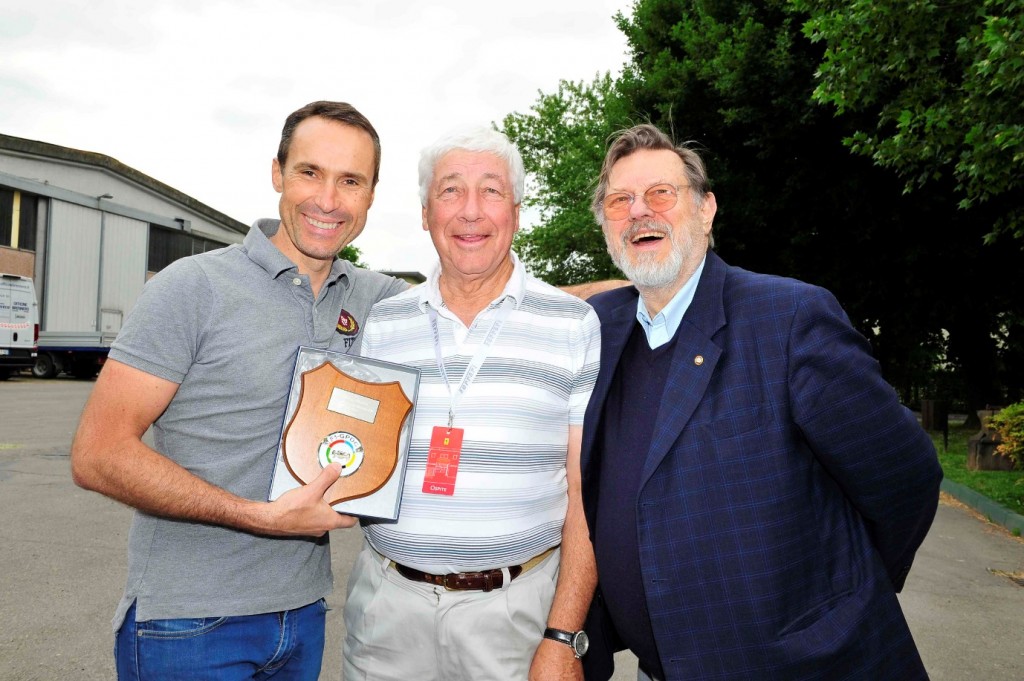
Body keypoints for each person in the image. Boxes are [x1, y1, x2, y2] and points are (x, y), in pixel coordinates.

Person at [578, 124, 943, 681]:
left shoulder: (789, 319)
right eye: (620, 200)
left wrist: (839, 599)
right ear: (605, 224)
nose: (639, 212)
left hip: (807, 666)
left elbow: (906, 477)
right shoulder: (599, 331)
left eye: (661, 193)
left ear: (706, 210)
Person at [70, 101, 409, 680]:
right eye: (310, 172)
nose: (328, 200)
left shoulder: (377, 300)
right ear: (277, 173)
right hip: (187, 624)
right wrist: (257, 516)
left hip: (303, 620)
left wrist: (622, 285)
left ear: (372, 195)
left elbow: (481, 298)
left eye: (350, 181)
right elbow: (98, 454)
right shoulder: (194, 287)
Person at [342, 127, 602, 681]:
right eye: (451, 191)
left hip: (517, 617)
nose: (470, 212)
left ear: (516, 208)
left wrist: (562, 636)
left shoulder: (573, 324)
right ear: (424, 211)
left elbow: (586, 496)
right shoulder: (384, 324)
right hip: (388, 612)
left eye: (491, 191)